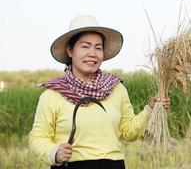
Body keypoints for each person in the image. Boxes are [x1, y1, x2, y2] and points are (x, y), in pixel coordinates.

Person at [29, 15, 170, 169]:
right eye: (85, 46)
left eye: (98, 47)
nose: (92, 53)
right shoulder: (53, 94)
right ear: (70, 50)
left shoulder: (115, 88)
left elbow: (128, 132)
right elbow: (37, 137)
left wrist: (150, 109)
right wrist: (54, 152)